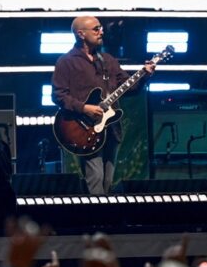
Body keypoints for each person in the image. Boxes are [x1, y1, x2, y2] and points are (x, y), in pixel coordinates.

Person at [51, 16, 154, 195]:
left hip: (110, 128)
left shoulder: (107, 60)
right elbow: (58, 95)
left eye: (101, 28)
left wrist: (144, 75)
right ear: (81, 34)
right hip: (84, 129)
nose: (101, 32)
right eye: (96, 29)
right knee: (95, 177)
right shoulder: (66, 62)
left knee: (108, 180)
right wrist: (84, 108)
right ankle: (97, 211)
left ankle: (104, 211)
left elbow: (130, 87)